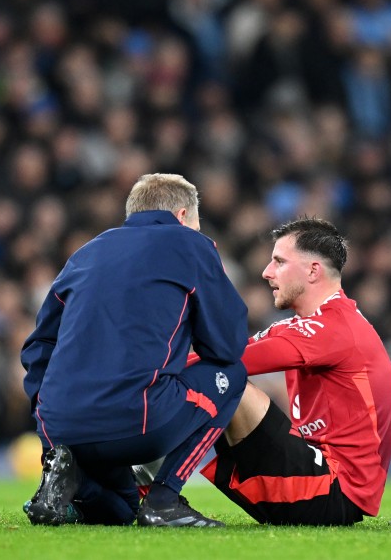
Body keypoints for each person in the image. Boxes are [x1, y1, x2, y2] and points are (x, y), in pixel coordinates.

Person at [20, 173, 249, 527]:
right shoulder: (191, 244)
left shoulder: (85, 252)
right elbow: (228, 344)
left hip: (61, 430)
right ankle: (165, 498)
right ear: (184, 215)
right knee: (232, 375)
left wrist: (46, 413)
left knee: (121, 512)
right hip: (138, 422)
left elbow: (39, 345)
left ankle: (72, 477)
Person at [197, 217, 391, 525]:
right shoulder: (315, 324)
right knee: (216, 373)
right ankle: (150, 482)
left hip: (333, 491)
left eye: (278, 261)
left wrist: (146, 368)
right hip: (320, 482)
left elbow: (229, 360)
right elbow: (230, 351)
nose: (266, 272)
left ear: (312, 270)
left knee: (224, 378)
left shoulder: (333, 328)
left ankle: (155, 485)